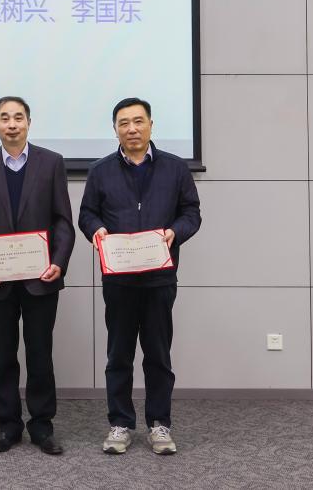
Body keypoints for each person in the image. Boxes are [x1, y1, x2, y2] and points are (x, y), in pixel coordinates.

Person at [78, 97, 201, 455]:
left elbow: (191, 213)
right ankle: (120, 424)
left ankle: (159, 424)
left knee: (158, 354)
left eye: (138, 121)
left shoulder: (175, 168)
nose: (131, 129)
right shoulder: (100, 170)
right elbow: (87, 214)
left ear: (150, 125)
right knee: (118, 354)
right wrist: (96, 229)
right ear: (115, 129)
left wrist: (175, 232)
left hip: (160, 278)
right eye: (124, 123)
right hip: (119, 280)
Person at [0, 96, 75, 455]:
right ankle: (8, 426)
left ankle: (42, 426)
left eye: (18, 117)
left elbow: (63, 221)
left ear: (29, 122)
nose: (12, 124)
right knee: (4, 356)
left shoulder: (51, 162)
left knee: (40, 354)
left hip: (42, 279)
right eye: (4, 118)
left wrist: (58, 261)